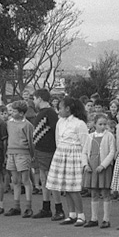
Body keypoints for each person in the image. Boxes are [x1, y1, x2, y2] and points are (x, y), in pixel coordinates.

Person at [47, 96, 89, 226]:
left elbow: (85, 144)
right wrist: (60, 153)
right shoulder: (60, 122)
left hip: (74, 156)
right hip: (61, 154)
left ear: (68, 109)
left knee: (73, 188)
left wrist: (84, 162)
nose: (58, 110)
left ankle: (81, 215)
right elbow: (57, 139)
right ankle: (71, 214)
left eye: (60, 108)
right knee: (65, 187)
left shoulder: (79, 123)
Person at [31, 89, 63, 220]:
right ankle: (46, 207)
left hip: (49, 150)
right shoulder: (41, 113)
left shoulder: (50, 113)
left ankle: (59, 208)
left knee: (52, 180)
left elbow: (56, 131)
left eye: (34, 99)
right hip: (40, 149)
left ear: (39, 98)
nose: (33, 102)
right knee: (44, 179)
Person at [82, 113, 116, 228]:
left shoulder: (109, 136)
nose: (102, 126)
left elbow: (112, 152)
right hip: (92, 168)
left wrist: (103, 165)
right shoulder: (90, 136)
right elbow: (85, 152)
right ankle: (94, 218)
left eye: (104, 124)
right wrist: (85, 165)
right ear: (94, 124)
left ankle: (106, 219)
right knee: (94, 193)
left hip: (103, 168)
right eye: (100, 124)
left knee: (106, 193)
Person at [5, 100, 35, 217]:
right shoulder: (9, 123)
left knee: (26, 180)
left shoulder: (27, 125)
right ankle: (16, 206)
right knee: (15, 180)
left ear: (22, 113)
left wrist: (32, 156)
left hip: (23, 153)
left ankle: (28, 207)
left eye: (14, 111)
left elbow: (31, 142)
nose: (11, 113)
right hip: (11, 153)